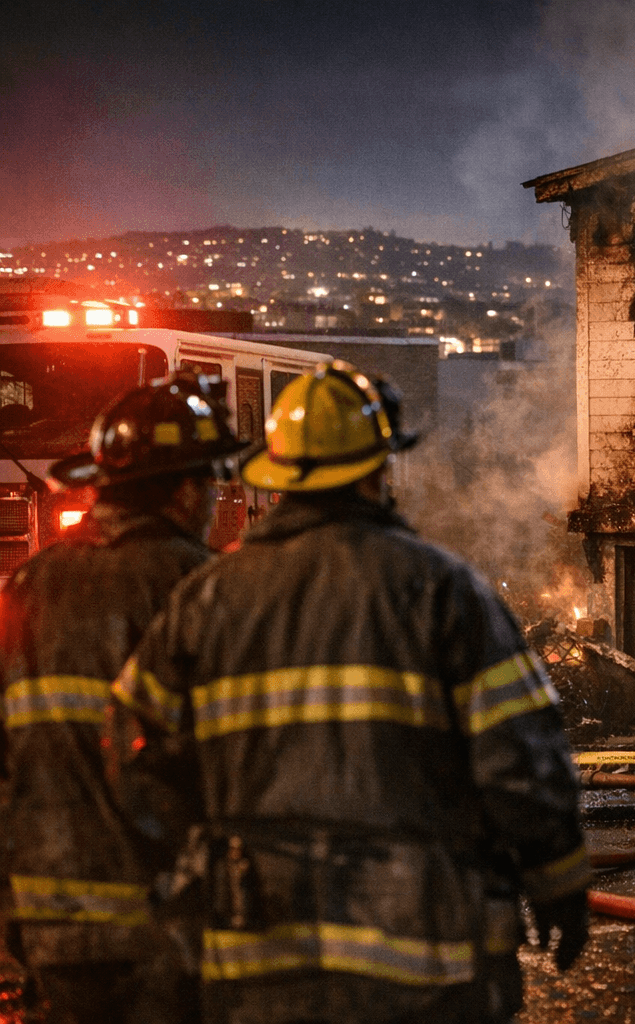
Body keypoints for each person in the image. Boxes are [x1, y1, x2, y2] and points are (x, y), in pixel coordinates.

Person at [110, 361, 590, 1024]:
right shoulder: (440, 590)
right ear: (377, 469)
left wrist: (206, 858)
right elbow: (522, 761)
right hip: (421, 960)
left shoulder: (206, 599)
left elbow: (134, 752)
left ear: (279, 474)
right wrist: (559, 886)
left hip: (257, 959)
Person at [0, 373, 245, 1024]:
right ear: (188, 490)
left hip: (49, 926)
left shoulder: (25, 586)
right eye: (213, 483)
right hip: (174, 922)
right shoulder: (201, 588)